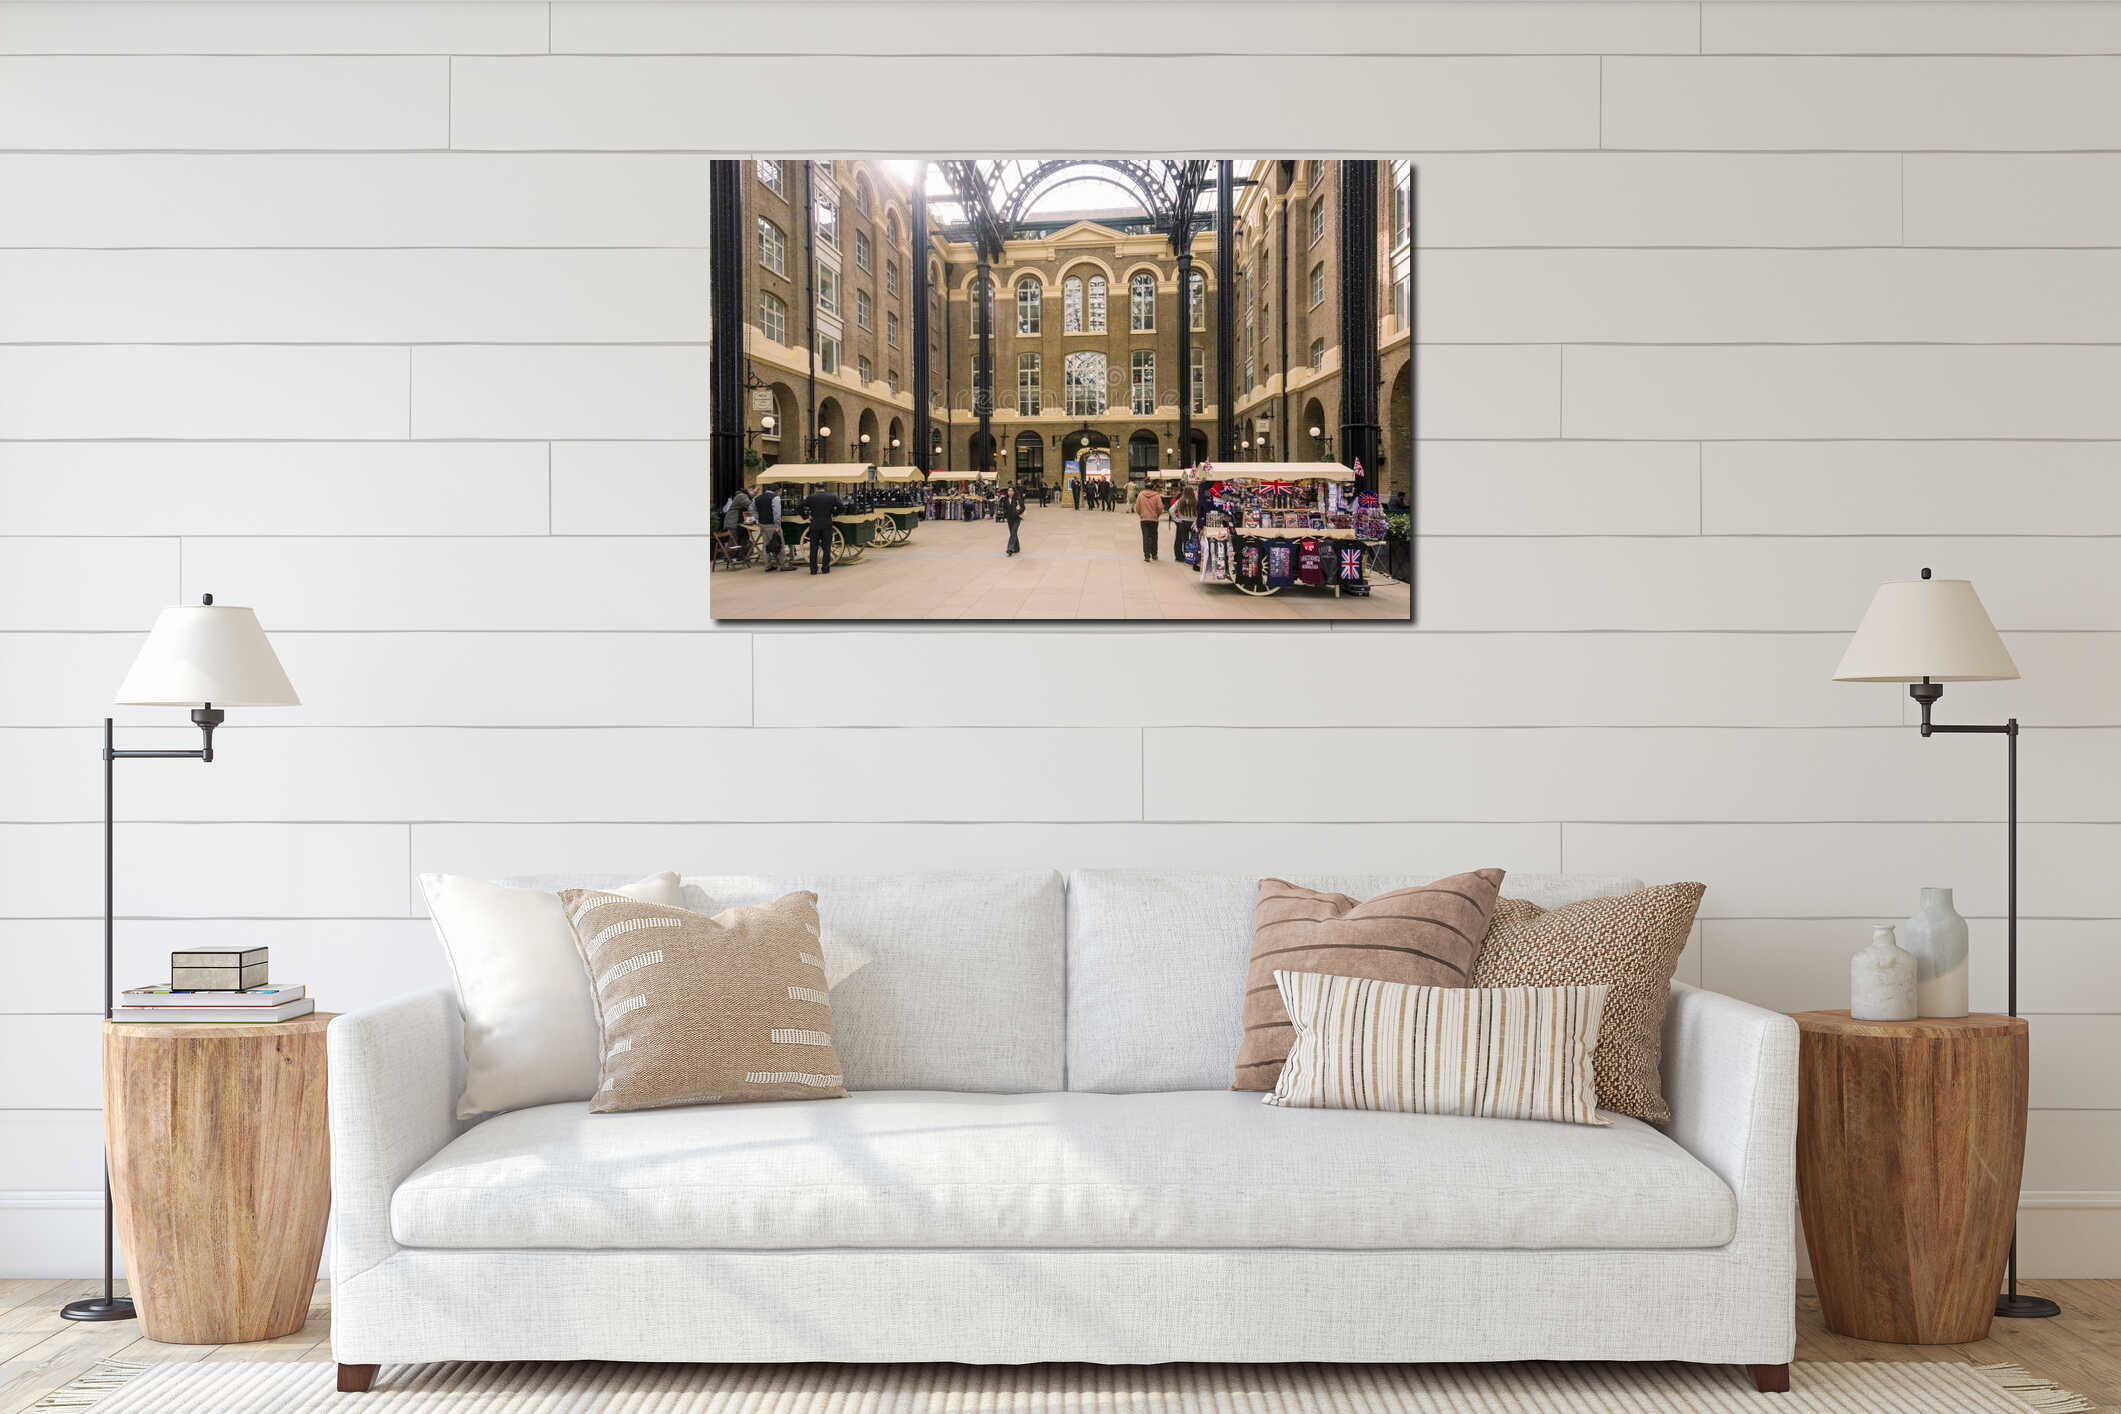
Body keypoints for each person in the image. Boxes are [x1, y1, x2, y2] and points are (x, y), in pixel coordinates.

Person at [800, 483, 842, 575]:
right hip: (827, 523)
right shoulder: (832, 497)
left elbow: (800, 506)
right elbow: (841, 506)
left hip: (814, 523)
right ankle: (825, 568)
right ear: (824, 488)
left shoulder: (811, 497)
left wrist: (806, 516)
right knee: (826, 547)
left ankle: (813, 570)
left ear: (816, 488)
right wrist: (834, 514)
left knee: (813, 547)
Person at [756, 484, 785, 571]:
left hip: (762, 524)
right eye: (780, 491)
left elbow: (751, 508)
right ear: (777, 490)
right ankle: (782, 565)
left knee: (766, 544)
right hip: (772, 524)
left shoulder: (758, 498)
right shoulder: (775, 498)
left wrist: (758, 517)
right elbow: (777, 513)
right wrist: (777, 524)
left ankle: (768, 565)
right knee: (779, 543)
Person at [1135, 482, 1165, 562]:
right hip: (1154, 519)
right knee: (1154, 537)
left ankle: (1147, 556)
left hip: (1144, 519)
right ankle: (1154, 554)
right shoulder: (1157, 495)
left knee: (1146, 537)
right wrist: (1157, 515)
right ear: (1152, 488)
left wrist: (1141, 514)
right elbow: (1160, 507)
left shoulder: (1140, 495)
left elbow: (1137, 507)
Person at [723, 486, 753, 563]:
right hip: (733, 521)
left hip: (740, 522)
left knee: (744, 537)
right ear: (750, 489)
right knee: (733, 539)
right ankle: (728, 558)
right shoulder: (742, 496)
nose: (756, 493)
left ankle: (741, 556)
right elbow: (750, 505)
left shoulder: (746, 496)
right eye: (755, 491)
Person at [1171, 484, 1197, 563]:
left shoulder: (1180, 500)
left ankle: (1182, 556)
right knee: (1193, 541)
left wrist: (1177, 519)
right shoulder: (1195, 501)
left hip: (1182, 522)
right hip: (1193, 523)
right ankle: (1192, 556)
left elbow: (1171, 510)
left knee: (1181, 540)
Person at [1000, 484, 1024, 556]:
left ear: (1014, 492)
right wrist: (1005, 514)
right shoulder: (1005, 499)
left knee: (1013, 532)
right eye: (1009, 491)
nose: (1010, 492)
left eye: (1011, 491)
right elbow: (1004, 508)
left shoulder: (1017, 499)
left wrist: (1018, 512)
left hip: (1017, 519)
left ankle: (1010, 548)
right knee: (1013, 533)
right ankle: (1017, 548)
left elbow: (1023, 507)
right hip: (1009, 519)